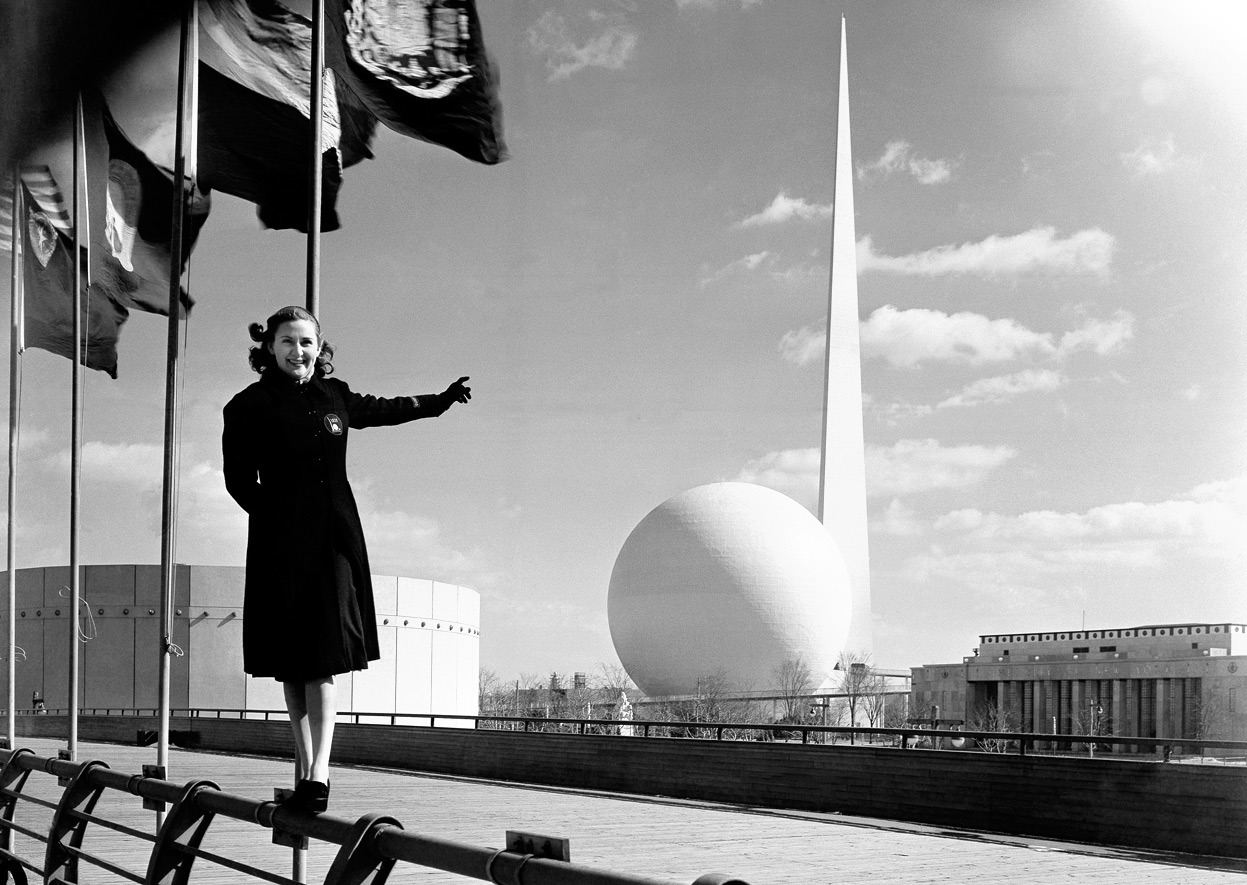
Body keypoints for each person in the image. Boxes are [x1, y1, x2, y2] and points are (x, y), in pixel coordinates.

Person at [222, 305, 470, 813]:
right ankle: (306, 761)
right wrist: (273, 519)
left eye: (307, 342)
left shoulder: (335, 396)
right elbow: (238, 480)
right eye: (288, 342)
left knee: (325, 653)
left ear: (320, 347)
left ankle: (319, 775)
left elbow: (388, 407)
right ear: (269, 347)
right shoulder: (247, 406)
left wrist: (438, 402)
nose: (298, 351)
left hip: (335, 537)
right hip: (280, 543)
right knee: (292, 665)